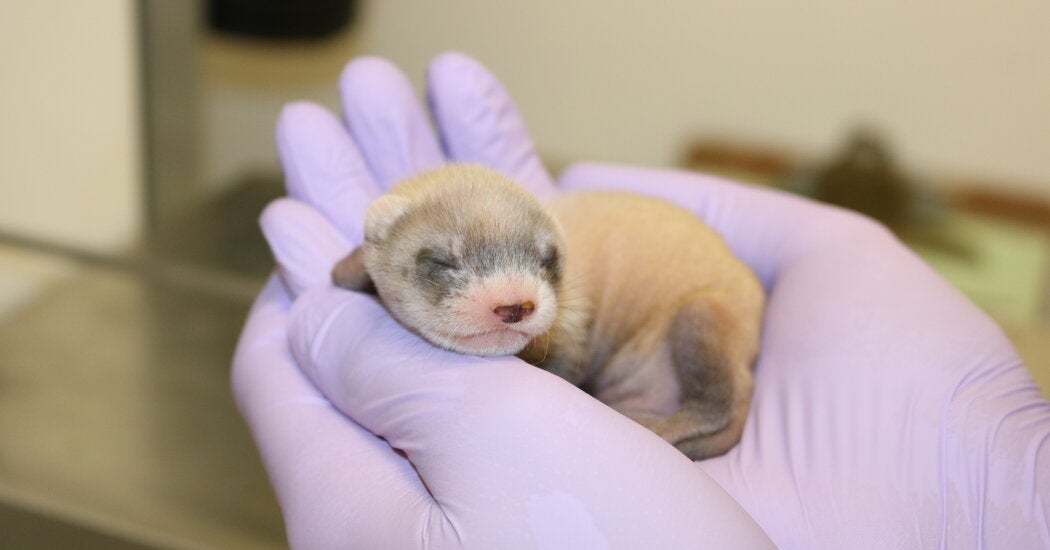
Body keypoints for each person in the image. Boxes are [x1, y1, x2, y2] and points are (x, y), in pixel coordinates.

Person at [233, 52, 1049, 548]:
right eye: (445, 266)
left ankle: (709, 418)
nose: (516, 299)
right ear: (376, 255)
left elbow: (557, 333)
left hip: (679, 330)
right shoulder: (381, 247)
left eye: (541, 268)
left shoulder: (567, 312)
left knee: (700, 315)